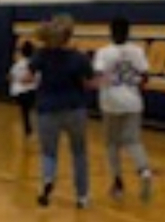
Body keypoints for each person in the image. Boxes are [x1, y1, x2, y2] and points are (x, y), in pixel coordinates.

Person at [28, 15, 94, 209]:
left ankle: (48, 180)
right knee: (79, 153)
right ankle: (82, 197)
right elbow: (89, 83)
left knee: (49, 153)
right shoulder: (79, 58)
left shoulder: (41, 55)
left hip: (47, 110)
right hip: (75, 109)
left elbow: (28, 76)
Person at [94, 16, 153, 202]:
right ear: (129, 32)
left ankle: (118, 183)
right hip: (134, 102)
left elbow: (98, 75)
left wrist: (103, 86)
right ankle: (144, 171)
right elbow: (145, 77)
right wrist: (135, 89)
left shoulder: (104, 52)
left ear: (111, 32)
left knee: (112, 144)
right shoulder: (137, 51)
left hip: (111, 103)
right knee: (133, 141)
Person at [9, 39, 37, 138]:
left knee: (25, 110)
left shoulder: (17, 64)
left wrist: (18, 80)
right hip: (31, 92)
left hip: (19, 93)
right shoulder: (35, 64)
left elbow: (10, 77)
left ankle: (28, 131)